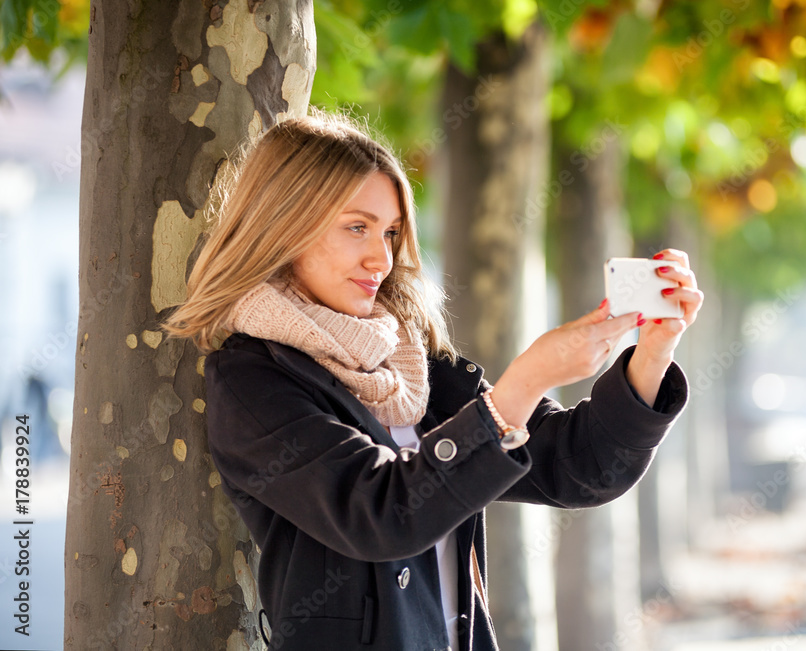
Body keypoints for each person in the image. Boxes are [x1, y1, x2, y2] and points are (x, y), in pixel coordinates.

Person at [161, 111, 702, 651]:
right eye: (357, 227)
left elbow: (580, 468)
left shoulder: (412, 362)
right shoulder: (252, 377)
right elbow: (377, 513)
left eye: (391, 231)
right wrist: (528, 378)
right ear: (284, 225)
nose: (381, 256)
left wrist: (653, 352)